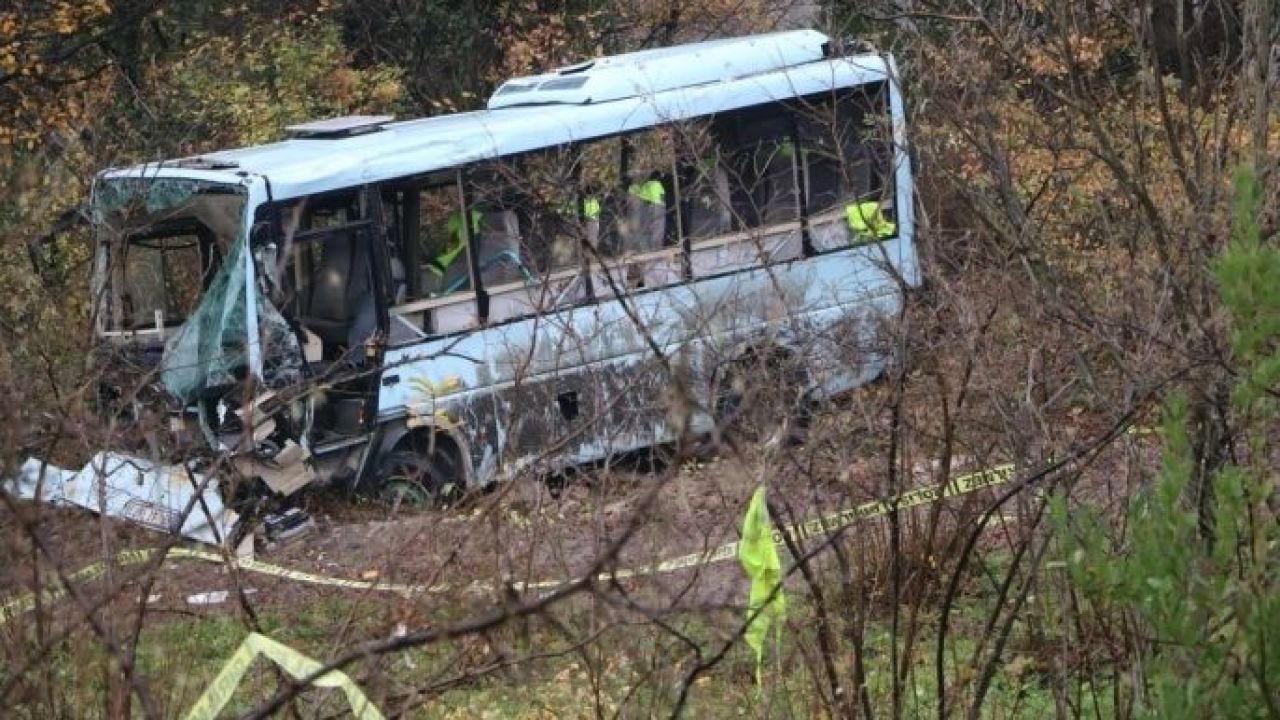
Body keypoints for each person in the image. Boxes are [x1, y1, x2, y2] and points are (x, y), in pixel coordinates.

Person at [425, 207, 482, 293]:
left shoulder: (466, 224)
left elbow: (452, 250)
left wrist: (435, 268)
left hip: (461, 284)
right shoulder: (465, 219)